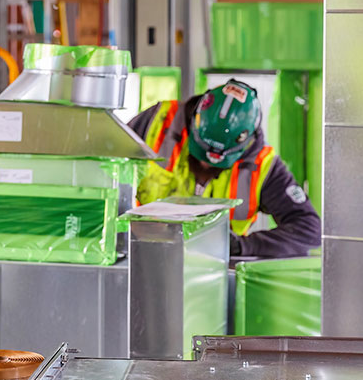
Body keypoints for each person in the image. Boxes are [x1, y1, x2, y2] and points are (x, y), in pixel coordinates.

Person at [127, 78, 320, 258]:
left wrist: (243, 246)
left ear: (245, 144)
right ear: (194, 120)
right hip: (143, 255)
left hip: (215, 271)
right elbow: (106, 169)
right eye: (201, 152)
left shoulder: (263, 167)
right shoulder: (158, 122)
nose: (205, 164)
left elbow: (309, 230)